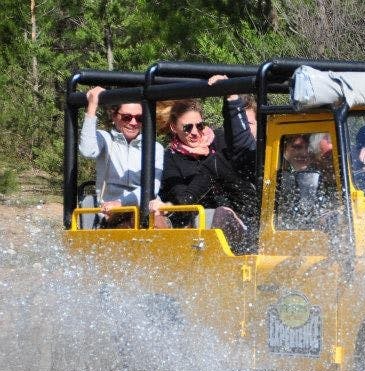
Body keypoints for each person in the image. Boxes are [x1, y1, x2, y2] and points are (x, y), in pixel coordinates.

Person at [158, 99, 256, 250]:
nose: (195, 132)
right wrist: (209, 166)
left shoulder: (220, 140)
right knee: (216, 214)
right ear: (174, 127)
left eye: (199, 126)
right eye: (187, 127)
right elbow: (181, 197)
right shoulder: (170, 158)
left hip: (237, 211)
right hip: (197, 216)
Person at [78, 86, 165, 227]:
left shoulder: (155, 148)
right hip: (110, 209)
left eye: (139, 118)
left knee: (154, 216)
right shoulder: (105, 139)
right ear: (114, 116)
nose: (133, 123)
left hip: (142, 204)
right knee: (128, 223)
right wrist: (92, 106)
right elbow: (87, 151)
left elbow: (152, 188)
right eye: (127, 117)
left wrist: (122, 203)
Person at [275, 133, 338, 231]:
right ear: (283, 149)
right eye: (297, 147)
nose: (304, 153)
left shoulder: (321, 176)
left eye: (308, 149)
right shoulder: (280, 178)